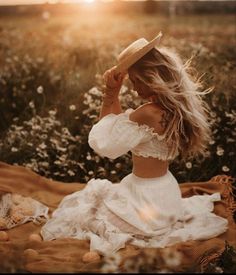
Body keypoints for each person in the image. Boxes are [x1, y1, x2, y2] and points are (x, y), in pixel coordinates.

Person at [41, 33, 228, 256]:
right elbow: (119, 129)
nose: (136, 89)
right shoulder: (175, 110)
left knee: (88, 212)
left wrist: (110, 95)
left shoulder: (147, 113)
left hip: (145, 200)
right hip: (166, 193)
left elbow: (106, 143)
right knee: (97, 201)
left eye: (138, 82)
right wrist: (115, 97)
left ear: (152, 77)